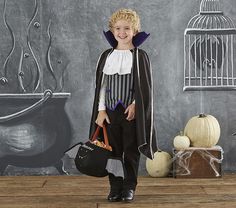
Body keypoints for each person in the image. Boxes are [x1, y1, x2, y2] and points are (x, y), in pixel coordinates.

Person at [89, 8, 157, 202]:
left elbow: (143, 86)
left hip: (130, 113)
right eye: (118, 28)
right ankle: (115, 186)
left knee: (131, 150)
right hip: (110, 112)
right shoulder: (106, 56)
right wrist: (101, 110)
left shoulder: (139, 56)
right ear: (112, 30)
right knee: (112, 151)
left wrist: (136, 104)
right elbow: (101, 86)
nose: (122, 32)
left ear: (135, 30)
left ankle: (129, 187)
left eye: (127, 28)